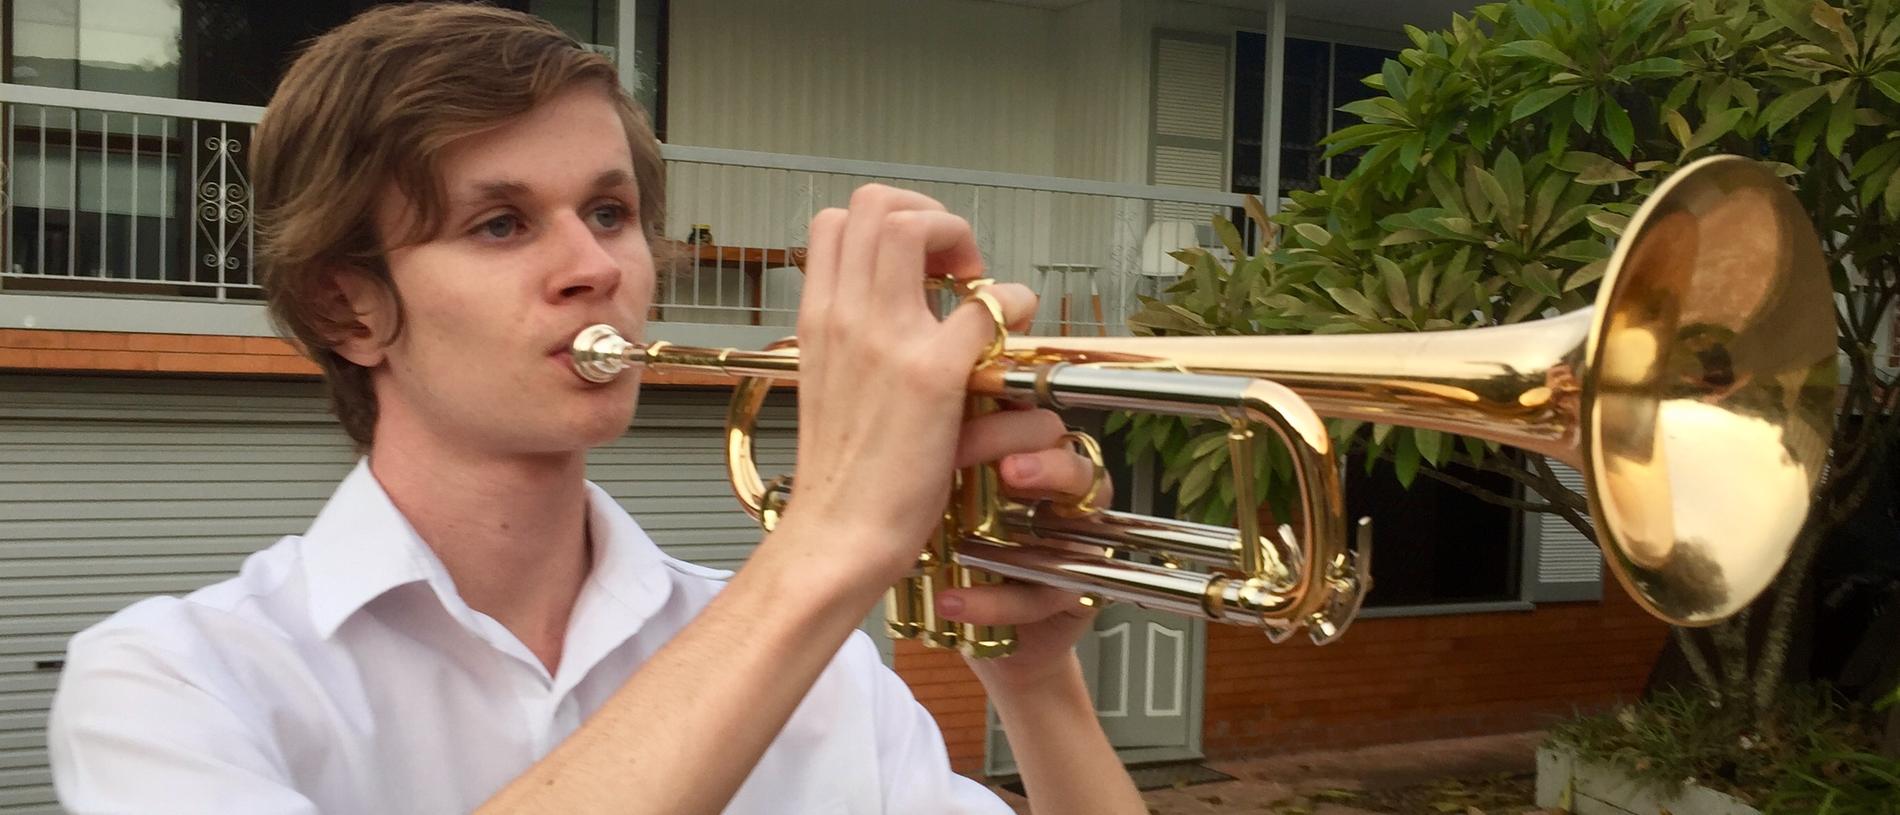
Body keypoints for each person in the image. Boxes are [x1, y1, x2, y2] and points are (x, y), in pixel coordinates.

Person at [44, 4, 1147, 814]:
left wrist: (1037, 683)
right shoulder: (171, 676)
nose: (595, 265)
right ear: (350, 306)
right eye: (500, 225)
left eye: (610, 211)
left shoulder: (820, 661)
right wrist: (837, 536)